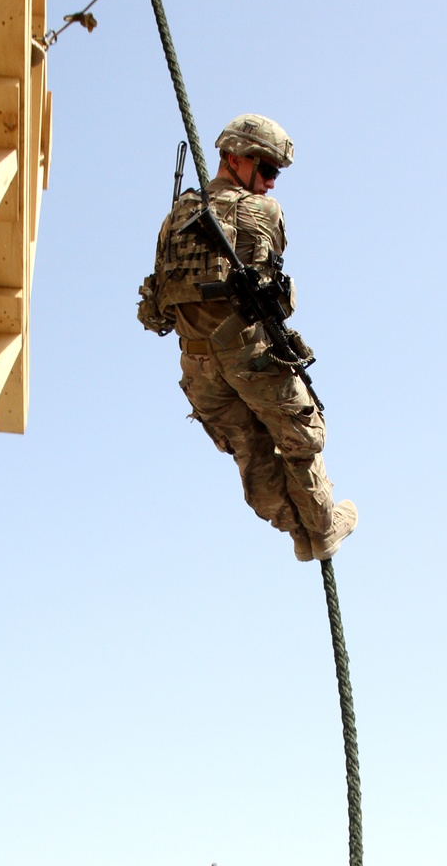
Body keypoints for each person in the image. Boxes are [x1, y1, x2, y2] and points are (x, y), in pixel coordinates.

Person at [140, 114, 357, 562]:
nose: (271, 184)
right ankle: (320, 526)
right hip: (246, 354)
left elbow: (157, 308)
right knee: (304, 435)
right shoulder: (263, 213)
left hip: (197, 368)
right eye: (268, 170)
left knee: (249, 451)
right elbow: (274, 290)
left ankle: (297, 530)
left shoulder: (175, 216)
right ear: (234, 157)